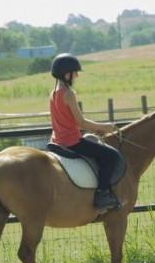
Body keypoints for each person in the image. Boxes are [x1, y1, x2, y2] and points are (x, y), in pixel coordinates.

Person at [49, 53, 122, 213]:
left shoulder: (54, 93)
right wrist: (105, 127)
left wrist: (95, 129)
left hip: (57, 140)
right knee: (112, 156)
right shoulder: (69, 94)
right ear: (66, 73)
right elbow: (80, 122)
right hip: (72, 142)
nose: (77, 75)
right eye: (75, 72)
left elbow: (69, 121)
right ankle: (102, 195)